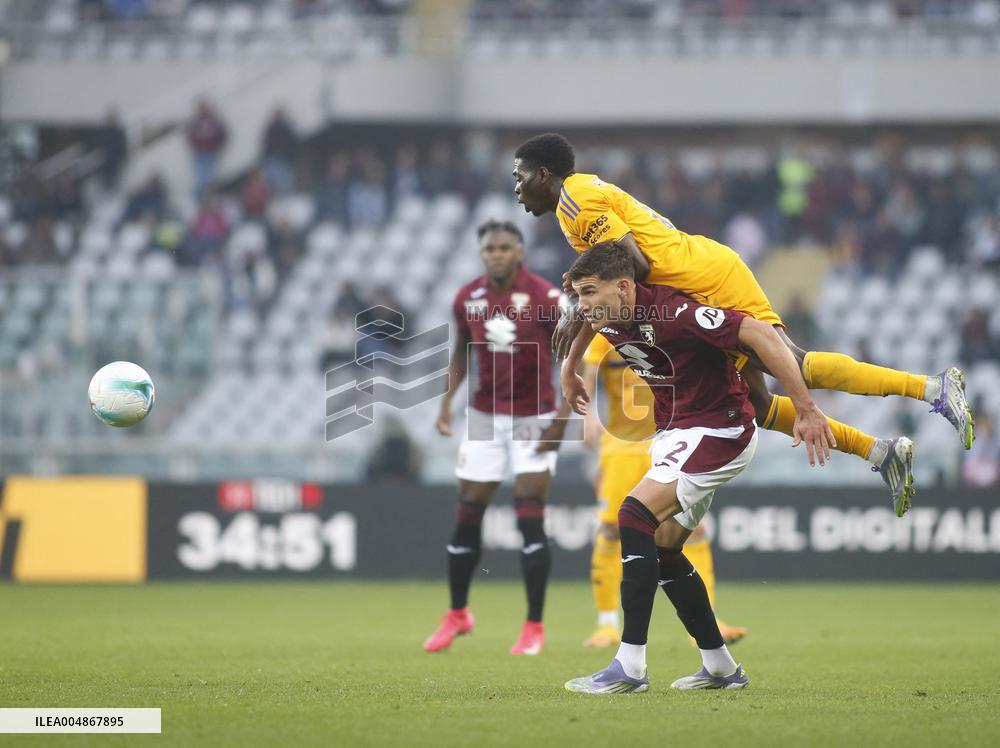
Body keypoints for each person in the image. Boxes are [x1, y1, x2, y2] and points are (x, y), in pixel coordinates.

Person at [512, 133, 975, 513]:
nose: (516, 188)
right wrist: (571, 359)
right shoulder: (575, 203)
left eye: (520, 177)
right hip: (693, 281)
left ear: (544, 175)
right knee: (755, 400)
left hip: (706, 281)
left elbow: (634, 267)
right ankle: (880, 451)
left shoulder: (577, 202)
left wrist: (576, 310)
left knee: (795, 365)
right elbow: (610, 283)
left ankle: (932, 389)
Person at [562, 240, 835, 693]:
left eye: (590, 292)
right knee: (665, 550)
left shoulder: (674, 312)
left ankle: (629, 666)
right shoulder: (608, 312)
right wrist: (570, 367)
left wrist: (805, 407)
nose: (584, 305)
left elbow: (761, 335)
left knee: (633, 515)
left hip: (719, 429)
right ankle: (721, 669)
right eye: (579, 294)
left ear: (625, 287)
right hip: (679, 431)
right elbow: (587, 322)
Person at [424, 219, 570, 656]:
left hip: (535, 415)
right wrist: (445, 404)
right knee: (468, 511)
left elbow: (575, 359)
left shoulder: (546, 297)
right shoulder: (467, 298)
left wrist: (563, 420)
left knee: (529, 513)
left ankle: (533, 626)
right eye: (490, 248)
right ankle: (457, 614)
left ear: (520, 252)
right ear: (481, 253)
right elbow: (460, 352)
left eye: (505, 247)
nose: (497, 254)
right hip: (485, 416)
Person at [580, 332, 746, 649]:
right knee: (612, 529)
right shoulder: (609, 332)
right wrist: (587, 415)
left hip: (672, 439)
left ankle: (707, 622)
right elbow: (587, 371)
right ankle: (606, 625)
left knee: (691, 529)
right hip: (623, 445)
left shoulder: (668, 323)